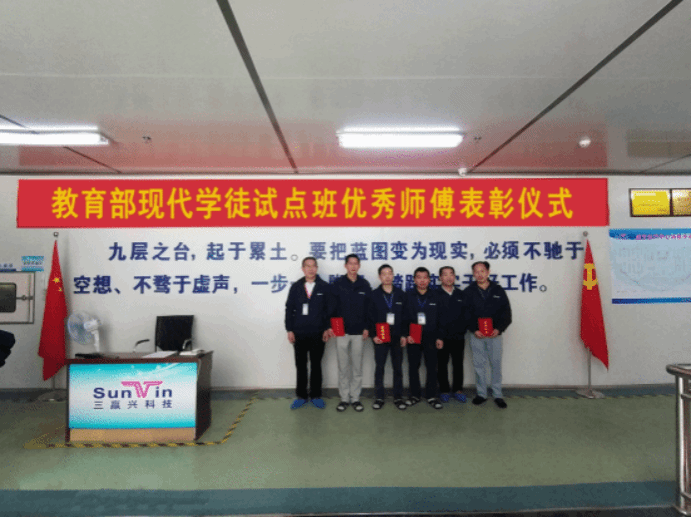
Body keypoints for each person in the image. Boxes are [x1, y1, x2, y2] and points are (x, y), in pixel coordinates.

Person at [284, 257, 333, 409]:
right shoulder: (296, 287)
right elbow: (289, 309)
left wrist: (327, 328)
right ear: (303, 269)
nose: (311, 269)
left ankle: (316, 395)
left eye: (313, 266)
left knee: (316, 365)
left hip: (318, 333)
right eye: (307, 266)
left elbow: (329, 310)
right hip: (299, 332)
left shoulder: (324, 287)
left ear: (317, 268)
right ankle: (301, 396)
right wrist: (289, 329)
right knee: (301, 365)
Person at [463, 261, 512, 409]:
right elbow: (464, 314)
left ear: (488, 272)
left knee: (496, 365)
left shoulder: (498, 290)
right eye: (476, 271)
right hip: (476, 335)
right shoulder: (468, 291)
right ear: (473, 274)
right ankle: (481, 394)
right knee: (479, 366)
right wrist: (473, 329)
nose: (479, 274)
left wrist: (499, 329)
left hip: (494, 335)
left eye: (482, 271)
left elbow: (506, 312)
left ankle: (498, 395)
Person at [331, 254, 372, 412]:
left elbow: (369, 309)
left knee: (357, 367)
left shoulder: (364, 284)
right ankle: (344, 398)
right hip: (341, 331)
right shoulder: (338, 284)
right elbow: (332, 307)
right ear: (345, 266)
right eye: (350, 263)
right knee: (343, 367)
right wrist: (332, 327)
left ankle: (355, 398)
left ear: (359, 266)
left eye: (356, 263)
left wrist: (367, 327)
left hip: (358, 332)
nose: (353, 266)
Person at [367, 264, 408, 411]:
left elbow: (406, 317)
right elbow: (369, 317)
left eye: (390, 273)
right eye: (384, 274)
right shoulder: (373, 295)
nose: (387, 276)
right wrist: (373, 335)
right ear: (380, 277)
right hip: (380, 337)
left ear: (393, 275)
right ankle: (379, 397)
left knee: (398, 368)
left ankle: (398, 397)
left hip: (397, 337)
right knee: (380, 367)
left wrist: (404, 335)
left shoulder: (401, 294)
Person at [403, 267, 444, 410]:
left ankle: (431, 395)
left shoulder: (435, 295)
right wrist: (406, 334)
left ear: (429, 280)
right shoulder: (408, 295)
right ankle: (414, 395)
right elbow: (403, 317)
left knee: (432, 367)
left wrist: (440, 337)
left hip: (431, 337)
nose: (422, 280)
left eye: (425, 277)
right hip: (413, 337)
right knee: (413, 367)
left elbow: (441, 318)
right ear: (414, 279)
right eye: (419, 277)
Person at [437, 266, 469, 404]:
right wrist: (438, 336)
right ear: (440, 278)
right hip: (441, 338)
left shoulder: (461, 294)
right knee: (442, 365)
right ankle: (444, 390)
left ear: (455, 277)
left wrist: (462, 330)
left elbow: (467, 315)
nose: (449, 277)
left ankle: (458, 390)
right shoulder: (435, 294)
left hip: (458, 337)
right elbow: (433, 317)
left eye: (451, 274)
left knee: (458, 364)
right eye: (445, 274)